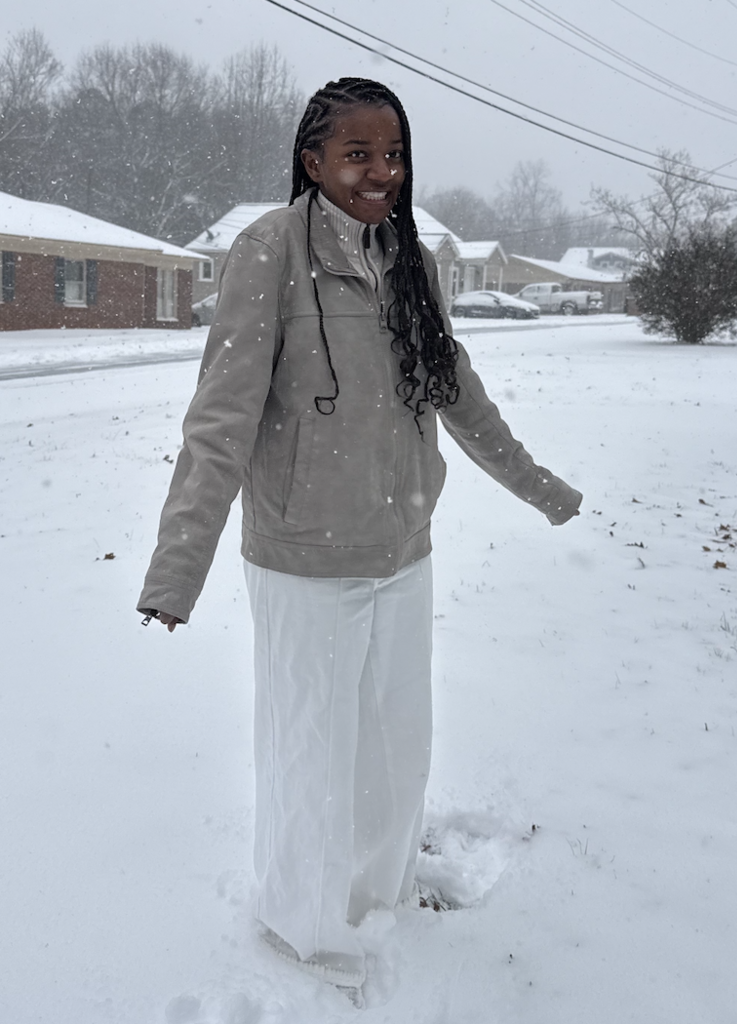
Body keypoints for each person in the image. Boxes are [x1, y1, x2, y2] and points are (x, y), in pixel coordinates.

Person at [137, 77, 582, 994]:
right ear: (313, 161)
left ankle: (377, 897)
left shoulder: (408, 257)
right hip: (305, 557)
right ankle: (304, 934)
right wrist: (177, 571)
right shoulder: (270, 251)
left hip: (402, 548)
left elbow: (457, 391)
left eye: (394, 154)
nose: (382, 172)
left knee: (393, 746)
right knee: (311, 755)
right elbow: (220, 419)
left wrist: (537, 485)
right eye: (358, 154)